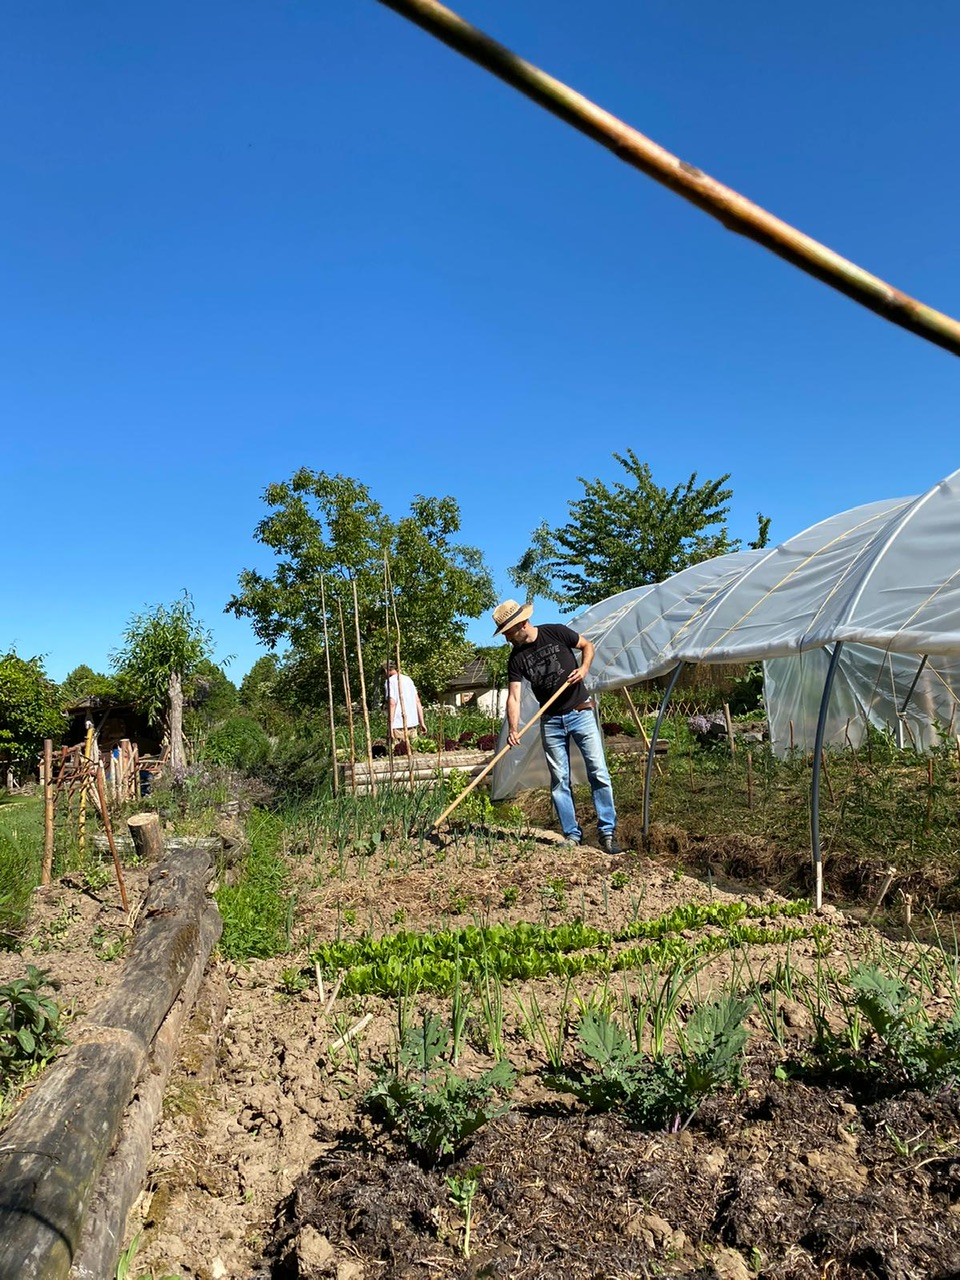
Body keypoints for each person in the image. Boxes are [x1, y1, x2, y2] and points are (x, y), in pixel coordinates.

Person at [493, 599, 623, 854]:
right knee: (559, 779)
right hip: (551, 721)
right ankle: (572, 835)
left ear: (520, 624)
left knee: (598, 771)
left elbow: (587, 646)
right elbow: (514, 697)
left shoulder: (556, 632)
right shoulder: (516, 659)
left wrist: (584, 669)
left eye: (508, 633)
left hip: (580, 712)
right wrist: (513, 728)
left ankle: (607, 832)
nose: (507, 639)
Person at [383, 659, 426, 745]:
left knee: (398, 752)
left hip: (398, 726)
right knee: (413, 751)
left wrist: (390, 726)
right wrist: (422, 723)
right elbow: (417, 701)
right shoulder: (408, 679)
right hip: (412, 724)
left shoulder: (390, 682)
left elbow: (392, 703)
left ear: (385, 670)